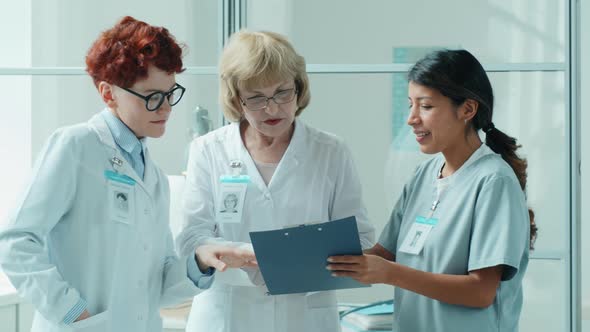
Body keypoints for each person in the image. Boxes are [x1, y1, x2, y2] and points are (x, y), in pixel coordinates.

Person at [0, 16, 255, 332]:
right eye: (152, 97)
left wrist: (200, 262)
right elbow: (15, 242)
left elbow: (157, 283)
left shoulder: (155, 177)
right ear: (108, 94)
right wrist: (73, 313)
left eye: (170, 93)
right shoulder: (75, 146)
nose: (165, 109)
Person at [176, 30, 375, 332]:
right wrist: (241, 253)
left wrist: (297, 253)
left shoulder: (331, 151)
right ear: (236, 99)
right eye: (256, 98)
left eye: (283, 93)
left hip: (304, 315)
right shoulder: (208, 150)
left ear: (299, 87)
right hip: (227, 313)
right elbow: (191, 238)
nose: (272, 109)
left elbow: (359, 238)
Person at [328, 49, 537, 332]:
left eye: (425, 106)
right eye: (411, 105)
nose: (412, 118)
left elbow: (480, 292)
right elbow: (383, 255)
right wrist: (319, 254)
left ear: (467, 109)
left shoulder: (494, 182)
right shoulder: (424, 174)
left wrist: (391, 274)